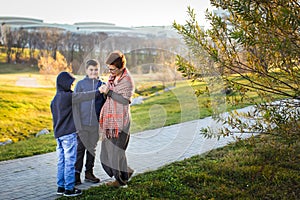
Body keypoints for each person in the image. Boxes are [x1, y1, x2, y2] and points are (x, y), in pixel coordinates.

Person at [50, 71, 101, 197]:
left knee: (61, 161)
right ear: (64, 84)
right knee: (70, 161)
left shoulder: (54, 100)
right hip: (68, 135)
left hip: (59, 135)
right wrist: (99, 91)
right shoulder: (68, 96)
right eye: (70, 84)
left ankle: (61, 187)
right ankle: (69, 189)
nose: (72, 87)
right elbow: (84, 96)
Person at [99, 50, 135, 187]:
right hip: (110, 122)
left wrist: (108, 92)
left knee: (116, 152)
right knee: (107, 152)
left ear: (121, 68)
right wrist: (104, 92)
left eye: (113, 69)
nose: (110, 71)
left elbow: (125, 100)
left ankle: (120, 181)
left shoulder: (127, 81)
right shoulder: (111, 79)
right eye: (109, 69)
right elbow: (109, 96)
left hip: (121, 122)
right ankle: (126, 173)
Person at [73, 59, 106, 185]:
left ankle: (89, 173)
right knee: (80, 149)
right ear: (86, 70)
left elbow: (105, 104)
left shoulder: (101, 85)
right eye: (91, 70)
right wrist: (77, 124)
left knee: (92, 149)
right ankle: (76, 174)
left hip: (95, 124)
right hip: (82, 124)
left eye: (96, 70)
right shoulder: (80, 84)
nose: (93, 72)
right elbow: (74, 104)